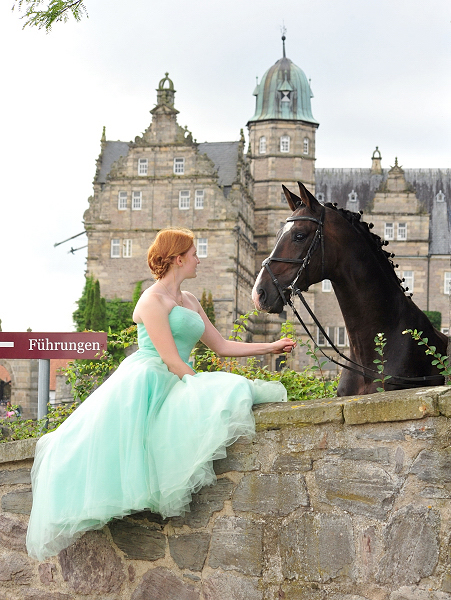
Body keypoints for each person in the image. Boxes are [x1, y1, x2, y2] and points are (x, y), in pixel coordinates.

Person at [26, 227, 295, 561]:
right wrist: (199, 387)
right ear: (178, 259)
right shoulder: (151, 300)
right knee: (220, 394)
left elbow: (221, 345)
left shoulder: (191, 301)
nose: (199, 260)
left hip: (176, 375)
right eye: (195, 254)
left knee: (231, 388)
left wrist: (271, 346)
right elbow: (169, 358)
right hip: (151, 378)